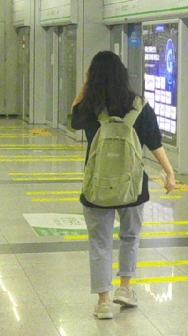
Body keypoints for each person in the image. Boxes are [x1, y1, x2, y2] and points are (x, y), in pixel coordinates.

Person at [71, 50, 178, 320]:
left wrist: (87, 83)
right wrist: (169, 172)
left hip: (97, 187)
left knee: (100, 242)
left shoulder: (90, 107)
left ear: (92, 76)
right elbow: (154, 143)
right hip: (133, 187)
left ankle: (104, 301)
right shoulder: (139, 105)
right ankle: (125, 288)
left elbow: (73, 119)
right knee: (130, 237)